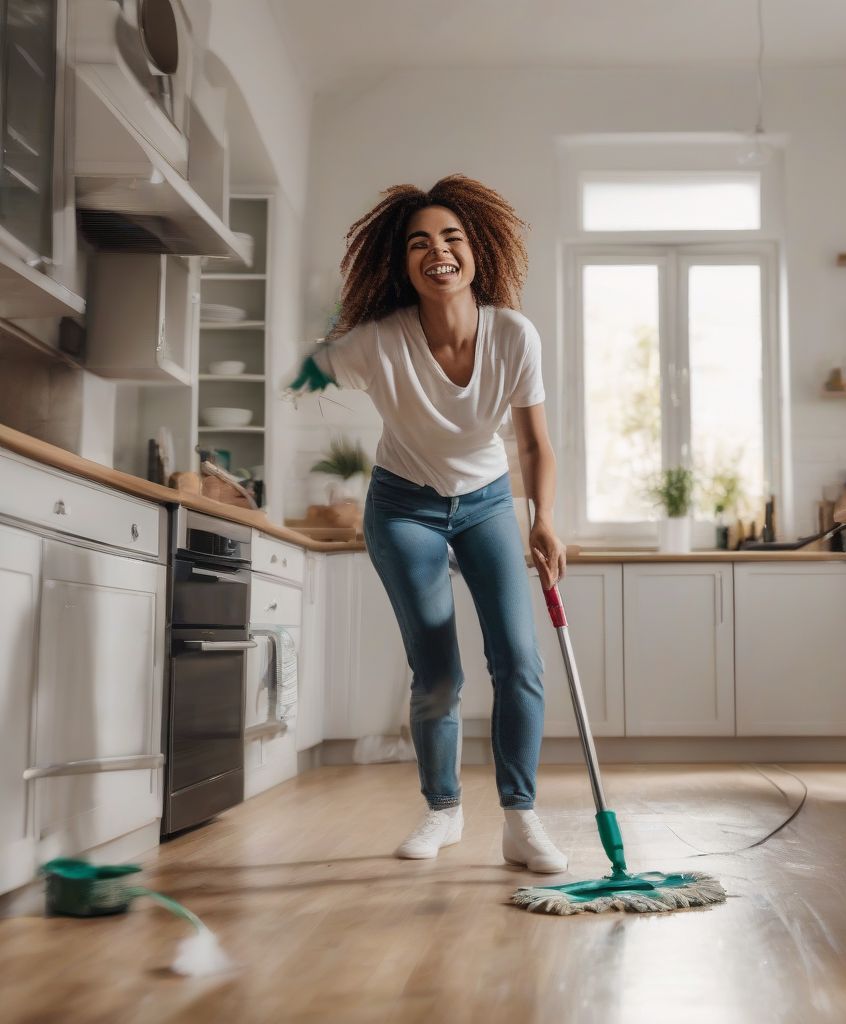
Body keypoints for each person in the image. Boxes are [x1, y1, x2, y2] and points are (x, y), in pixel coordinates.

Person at [290, 174, 568, 872]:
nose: (437, 251)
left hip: (487, 503)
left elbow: (534, 444)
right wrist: (305, 371)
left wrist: (545, 520)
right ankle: (443, 811)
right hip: (404, 506)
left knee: (519, 659)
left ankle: (520, 819)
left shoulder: (513, 336)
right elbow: (306, 373)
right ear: (401, 263)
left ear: (478, 251)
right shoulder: (378, 343)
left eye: (451, 237)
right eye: (419, 242)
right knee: (437, 672)